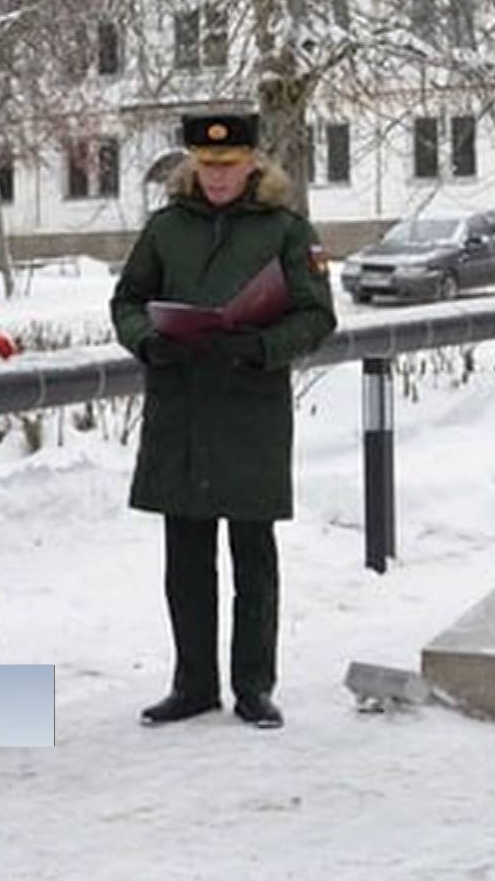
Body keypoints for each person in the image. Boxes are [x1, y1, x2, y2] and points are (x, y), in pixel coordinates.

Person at [110, 113, 338, 731]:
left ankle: (253, 685)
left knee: (252, 557)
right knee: (185, 557)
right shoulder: (166, 228)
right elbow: (127, 301)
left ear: (252, 164)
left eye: (228, 165)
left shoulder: (285, 230)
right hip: (180, 411)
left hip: (249, 413)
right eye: (206, 166)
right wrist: (147, 341)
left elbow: (318, 317)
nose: (216, 176)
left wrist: (260, 347)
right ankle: (193, 683)